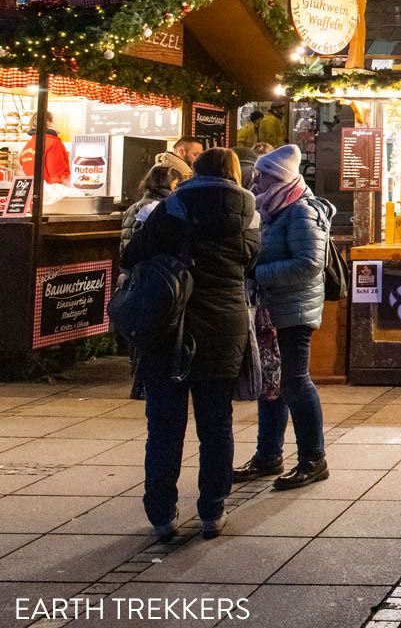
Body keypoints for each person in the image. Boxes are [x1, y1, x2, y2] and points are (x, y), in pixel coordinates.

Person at [122, 148, 259, 542]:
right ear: (234, 172)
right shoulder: (250, 210)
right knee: (217, 425)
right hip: (223, 326)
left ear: (193, 171)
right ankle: (212, 512)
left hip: (170, 325)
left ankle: (162, 515)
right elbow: (251, 259)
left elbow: (132, 255)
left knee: (164, 427)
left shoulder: (173, 206)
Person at [234, 145, 335, 491]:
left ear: (280, 177)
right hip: (269, 310)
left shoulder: (302, 211)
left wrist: (258, 273)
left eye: (264, 175)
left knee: (294, 382)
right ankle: (268, 455)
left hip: (294, 311)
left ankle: (313, 458)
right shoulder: (270, 208)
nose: (257, 181)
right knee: (270, 383)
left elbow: (310, 264)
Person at [120, 164, 183, 252]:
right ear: (167, 184)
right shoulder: (161, 208)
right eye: (176, 185)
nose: (177, 189)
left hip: (131, 262)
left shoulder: (132, 208)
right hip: (151, 263)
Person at [21, 112, 70, 185]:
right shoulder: (54, 143)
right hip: (52, 192)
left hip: (36, 191)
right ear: (49, 123)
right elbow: (58, 176)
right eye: (58, 120)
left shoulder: (28, 145)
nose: (61, 124)